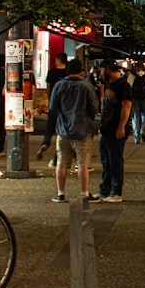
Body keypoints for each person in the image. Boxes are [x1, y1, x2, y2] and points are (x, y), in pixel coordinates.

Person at [48, 59, 101, 203]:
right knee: (83, 163)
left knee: (62, 162)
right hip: (82, 129)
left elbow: (53, 106)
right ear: (81, 71)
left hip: (63, 129)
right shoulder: (86, 86)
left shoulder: (59, 85)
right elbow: (94, 107)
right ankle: (84, 193)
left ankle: (60, 193)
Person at [94, 61, 132, 203]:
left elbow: (127, 106)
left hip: (116, 128)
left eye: (102, 69)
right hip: (107, 128)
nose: (100, 73)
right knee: (106, 159)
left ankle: (116, 191)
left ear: (108, 68)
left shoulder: (122, 85)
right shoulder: (110, 84)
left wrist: (121, 126)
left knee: (115, 160)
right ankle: (105, 189)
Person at [38, 52, 69, 166]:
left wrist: (50, 99)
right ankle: (56, 158)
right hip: (65, 107)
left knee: (50, 127)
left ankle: (46, 143)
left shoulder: (51, 72)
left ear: (58, 60)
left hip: (53, 104)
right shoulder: (67, 73)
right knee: (61, 132)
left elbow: (48, 88)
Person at [128, 62, 145, 144]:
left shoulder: (131, 76)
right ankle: (143, 131)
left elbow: (128, 87)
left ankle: (136, 137)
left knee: (135, 117)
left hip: (134, 98)